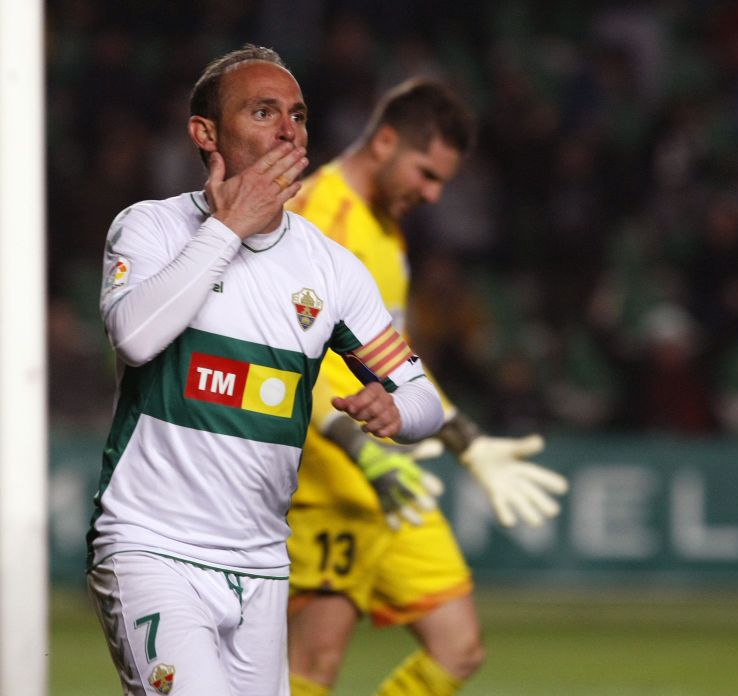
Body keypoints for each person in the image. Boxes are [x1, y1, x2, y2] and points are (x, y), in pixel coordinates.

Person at [85, 45, 444, 696]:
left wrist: (397, 412)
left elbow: (422, 398)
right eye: (263, 111)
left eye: (298, 115)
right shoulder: (152, 227)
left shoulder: (331, 269)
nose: (288, 129)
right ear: (206, 133)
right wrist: (228, 228)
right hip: (150, 546)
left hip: (262, 564)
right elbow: (136, 338)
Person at [284, 78, 569, 696]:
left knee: (458, 648)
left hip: (394, 475)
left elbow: (391, 358)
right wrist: (362, 453)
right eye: (427, 173)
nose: (434, 196)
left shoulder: (385, 227)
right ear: (385, 141)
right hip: (331, 477)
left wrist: (463, 437)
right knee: (314, 668)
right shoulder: (316, 216)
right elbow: (283, 361)